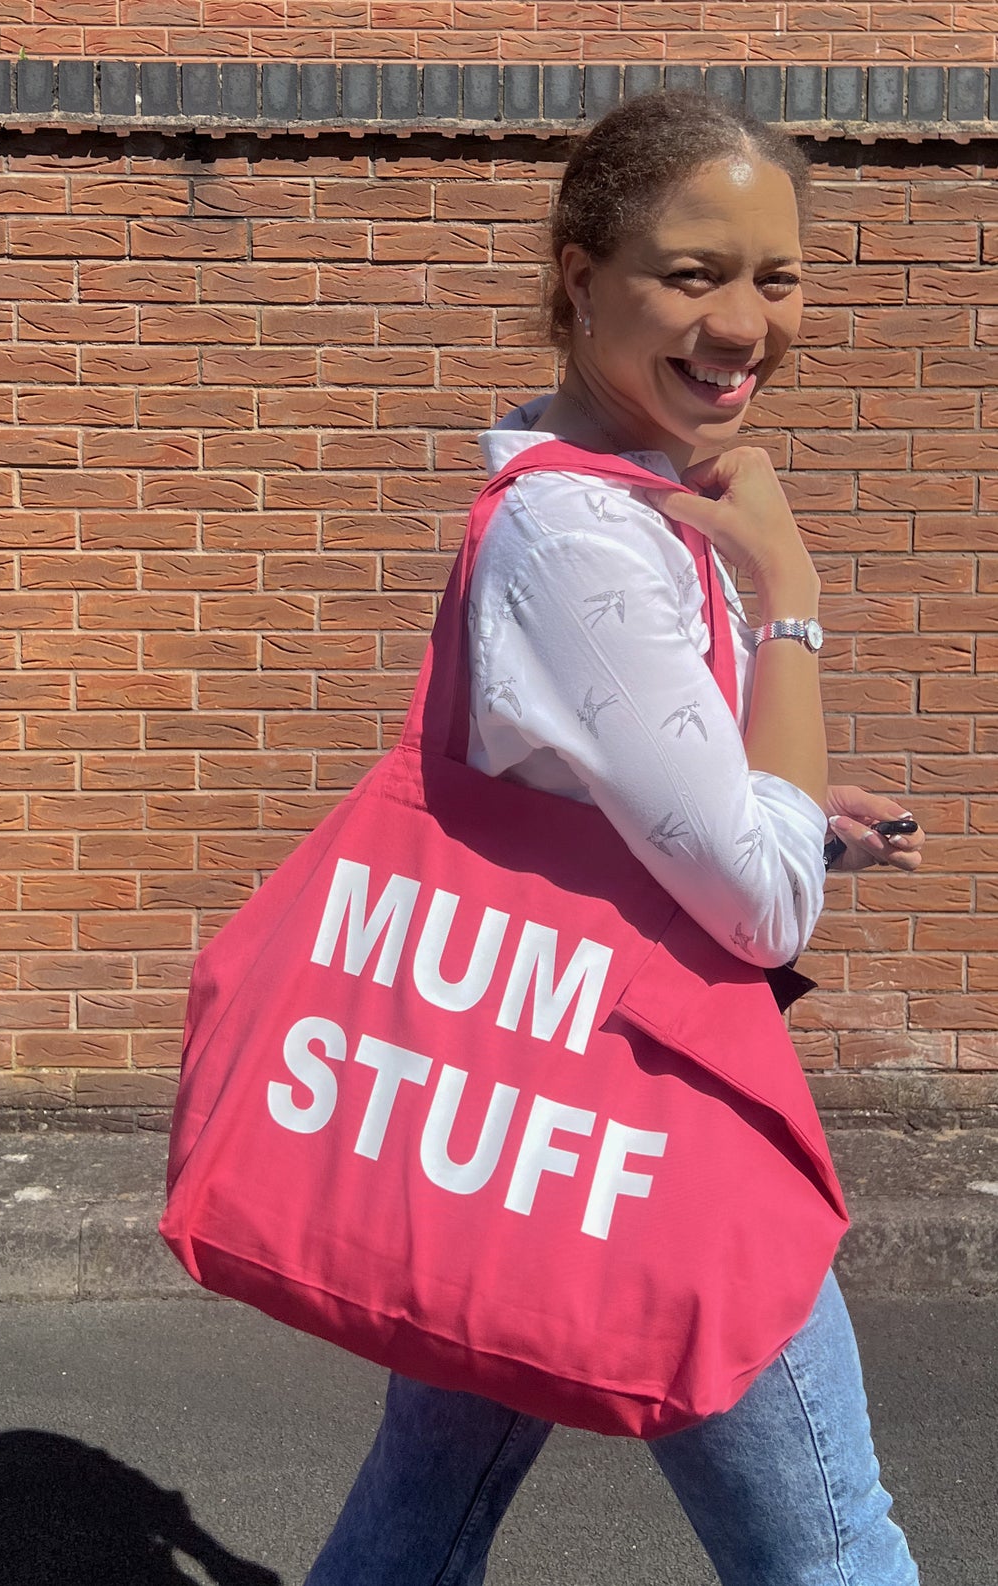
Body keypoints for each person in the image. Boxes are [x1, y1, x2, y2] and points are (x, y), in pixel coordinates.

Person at [303, 90, 926, 1586]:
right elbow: (760, 908)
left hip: (520, 1094)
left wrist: (772, 802)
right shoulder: (584, 537)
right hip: (647, 1109)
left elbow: (635, 796)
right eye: (691, 274)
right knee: (832, 1556)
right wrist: (788, 589)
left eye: (774, 278)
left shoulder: (617, 498)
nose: (743, 323)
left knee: (424, 1505)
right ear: (581, 275)